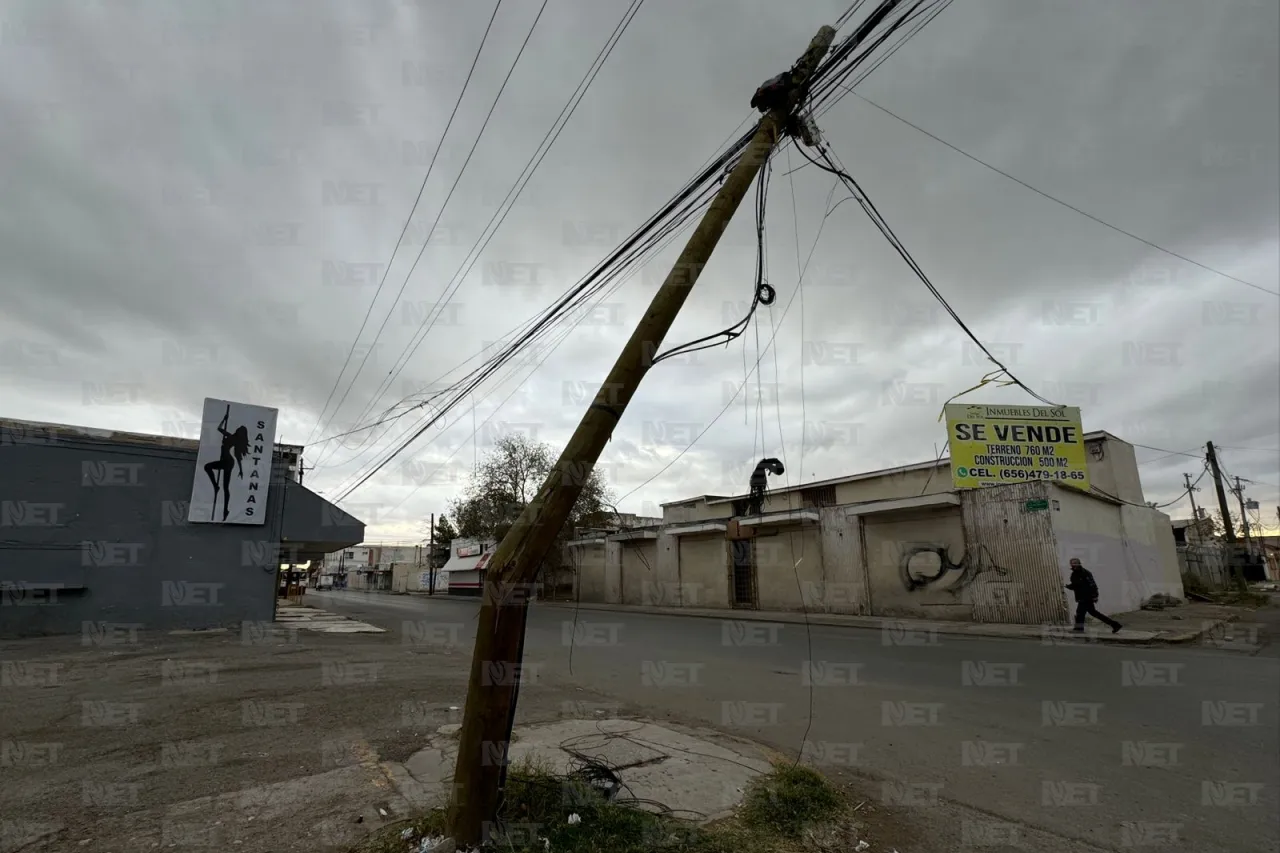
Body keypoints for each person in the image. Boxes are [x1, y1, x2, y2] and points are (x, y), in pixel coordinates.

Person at [1064, 558, 1122, 633]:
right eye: (1072, 563)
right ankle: (1115, 624)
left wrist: (1095, 596)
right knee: (1093, 613)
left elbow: (1092, 585)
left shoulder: (1085, 573)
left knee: (1080, 613)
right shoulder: (1074, 573)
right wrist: (1068, 586)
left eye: (1075, 563)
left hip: (1087, 597)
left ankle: (1079, 629)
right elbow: (1076, 585)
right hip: (1081, 597)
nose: (1073, 565)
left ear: (1079, 563)